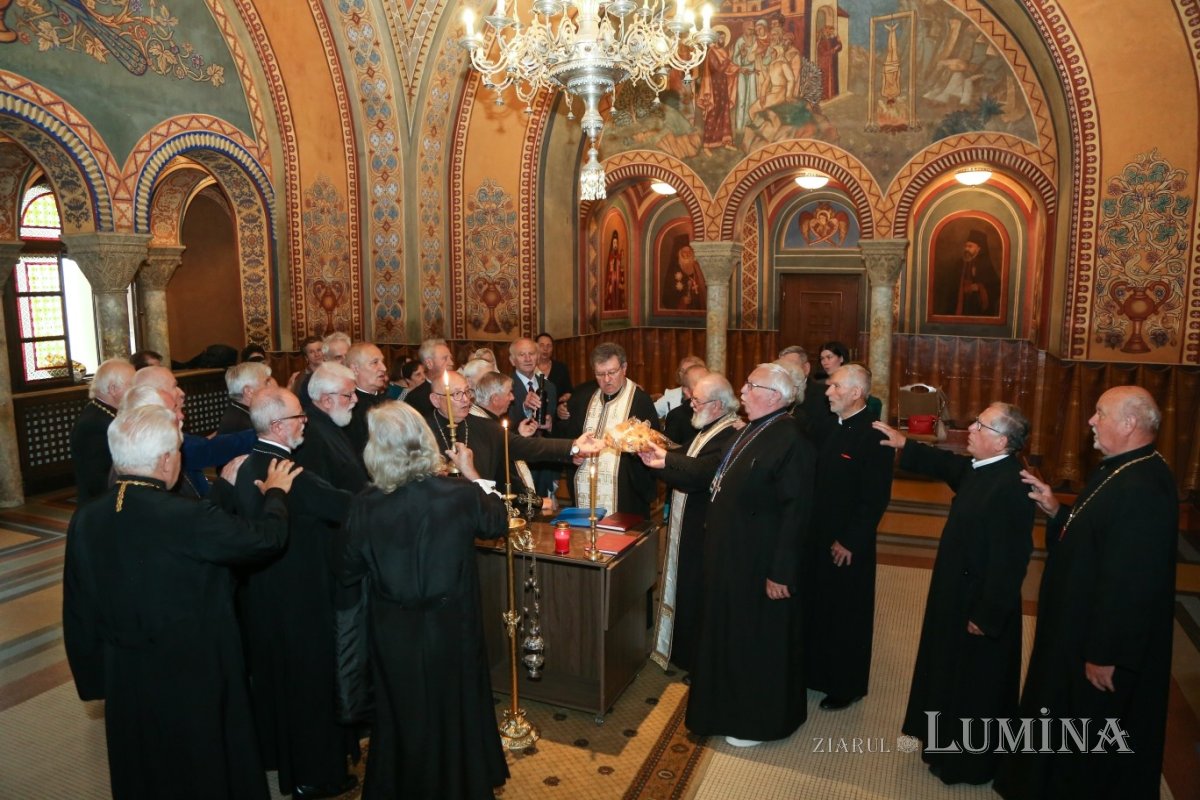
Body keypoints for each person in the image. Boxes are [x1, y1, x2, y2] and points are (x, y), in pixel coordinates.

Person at [62, 404, 301, 800]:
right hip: (194, 668)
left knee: (144, 764)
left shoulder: (87, 517)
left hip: (126, 672)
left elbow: (78, 606)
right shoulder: (183, 515)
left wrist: (94, 679)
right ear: (166, 459)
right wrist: (276, 494)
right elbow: (263, 540)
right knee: (202, 764)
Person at [995, 386, 1177, 800]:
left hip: (1098, 641)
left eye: (1101, 413)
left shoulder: (1143, 487)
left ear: (1130, 424)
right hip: (1075, 625)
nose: (1091, 421)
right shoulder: (1119, 467)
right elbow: (1097, 537)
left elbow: (1132, 583)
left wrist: (1104, 653)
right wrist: (1058, 512)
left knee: (1088, 735)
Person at [336, 403, 510, 799]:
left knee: (401, 710)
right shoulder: (459, 494)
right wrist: (473, 474)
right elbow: (497, 522)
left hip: (393, 629)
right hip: (453, 625)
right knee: (454, 706)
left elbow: (346, 569)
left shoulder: (365, 503)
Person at [873, 401, 1034, 785]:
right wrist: (904, 444)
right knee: (948, 672)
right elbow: (951, 467)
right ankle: (941, 744)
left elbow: (1013, 560)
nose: (971, 429)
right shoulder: (984, 469)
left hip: (980, 606)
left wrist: (987, 614)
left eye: (980, 425)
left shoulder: (1012, 485)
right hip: (956, 593)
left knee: (975, 686)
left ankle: (968, 763)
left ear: (1003, 441)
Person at [676, 363, 815, 746]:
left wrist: (781, 572)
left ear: (774, 396)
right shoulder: (755, 427)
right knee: (729, 637)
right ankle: (724, 710)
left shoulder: (792, 440)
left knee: (756, 643)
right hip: (733, 558)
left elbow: (796, 515)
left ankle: (755, 721)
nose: (742, 390)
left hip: (760, 565)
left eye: (750, 385)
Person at [235, 388, 358, 800]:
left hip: (266, 595)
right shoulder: (287, 471)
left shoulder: (249, 461)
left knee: (279, 683)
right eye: (298, 416)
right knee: (311, 686)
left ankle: (281, 758)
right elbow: (345, 506)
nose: (305, 420)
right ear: (277, 426)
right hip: (301, 597)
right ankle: (318, 775)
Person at [804, 365, 894, 711]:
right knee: (819, 606)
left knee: (846, 615)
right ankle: (815, 672)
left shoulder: (874, 436)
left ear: (856, 393)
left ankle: (846, 685)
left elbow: (874, 498)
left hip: (848, 543)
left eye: (835, 387)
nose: (828, 392)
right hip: (817, 535)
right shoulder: (827, 426)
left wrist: (850, 540)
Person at [640, 373, 741, 673]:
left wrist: (664, 460)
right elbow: (685, 457)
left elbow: (701, 472)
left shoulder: (728, 434)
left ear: (719, 405)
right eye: (691, 399)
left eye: (697, 401)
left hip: (705, 526)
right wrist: (660, 458)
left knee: (699, 592)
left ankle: (699, 660)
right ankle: (682, 653)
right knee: (685, 586)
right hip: (689, 524)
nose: (691, 405)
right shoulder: (706, 427)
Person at [567, 342, 660, 517]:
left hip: (626, 492)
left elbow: (652, 446)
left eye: (612, 372)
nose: (607, 379)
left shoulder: (640, 401)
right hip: (587, 487)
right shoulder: (583, 399)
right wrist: (575, 454)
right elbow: (570, 439)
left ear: (624, 368)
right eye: (600, 374)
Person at [71, 357, 135, 504]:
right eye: (132, 385)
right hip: (102, 507)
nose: (136, 390)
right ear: (113, 389)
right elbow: (98, 480)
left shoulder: (105, 413)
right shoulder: (94, 425)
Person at [297, 363, 370, 491]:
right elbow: (319, 491)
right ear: (327, 401)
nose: (356, 399)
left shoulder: (331, 421)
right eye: (349, 395)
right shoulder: (310, 435)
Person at [508, 337, 558, 498]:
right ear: (512, 360)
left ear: (537, 357)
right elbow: (501, 422)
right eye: (522, 355)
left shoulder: (549, 387)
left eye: (532, 354)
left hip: (544, 460)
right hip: (517, 460)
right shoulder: (506, 385)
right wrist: (524, 406)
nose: (528, 358)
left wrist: (550, 425)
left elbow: (556, 424)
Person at [933, 229, 1001, 317]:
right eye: (965, 246)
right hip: (960, 305)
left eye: (970, 246)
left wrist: (979, 287)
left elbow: (996, 287)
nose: (966, 249)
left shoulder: (986, 265)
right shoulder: (959, 264)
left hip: (977, 308)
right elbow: (949, 286)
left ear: (978, 248)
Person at [776, 345, 833, 443]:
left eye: (791, 366)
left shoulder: (826, 395)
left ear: (806, 368)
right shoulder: (776, 394)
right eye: (781, 368)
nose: (785, 372)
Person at [344, 342, 388, 455]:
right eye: (375, 362)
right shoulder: (349, 408)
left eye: (382, 362)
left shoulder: (389, 402)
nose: (384, 368)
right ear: (355, 369)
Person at [217, 361, 275, 434]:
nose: (271, 386)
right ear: (249, 392)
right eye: (266, 382)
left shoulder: (238, 410)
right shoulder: (245, 427)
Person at [296, 332, 349, 410]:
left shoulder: (352, 373)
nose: (317, 354)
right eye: (311, 352)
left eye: (319, 350)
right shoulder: (305, 380)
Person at [662, 363, 709, 448]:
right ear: (687, 391)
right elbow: (668, 449)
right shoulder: (677, 416)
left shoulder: (718, 409)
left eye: (709, 384)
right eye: (701, 385)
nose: (708, 389)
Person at [404, 337, 454, 417]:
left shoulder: (458, 388)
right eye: (445, 358)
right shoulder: (415, 398)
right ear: (429, 363)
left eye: (451, 358)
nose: (451, 363)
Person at [654, 354, 705, 419]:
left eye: (688, 371)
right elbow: (650, 411)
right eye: (682, 371)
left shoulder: (706, 396)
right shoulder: (671, 395)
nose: (683, 375)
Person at [661, 243, 706, 310]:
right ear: (680, 253)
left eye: (689, 252)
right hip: (680, 313)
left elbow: (704, 291)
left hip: (697, 311)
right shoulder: (673, 270)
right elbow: (667, 297)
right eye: (684, 252)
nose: (687, 254)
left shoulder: (698, 268)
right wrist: (681, 301)